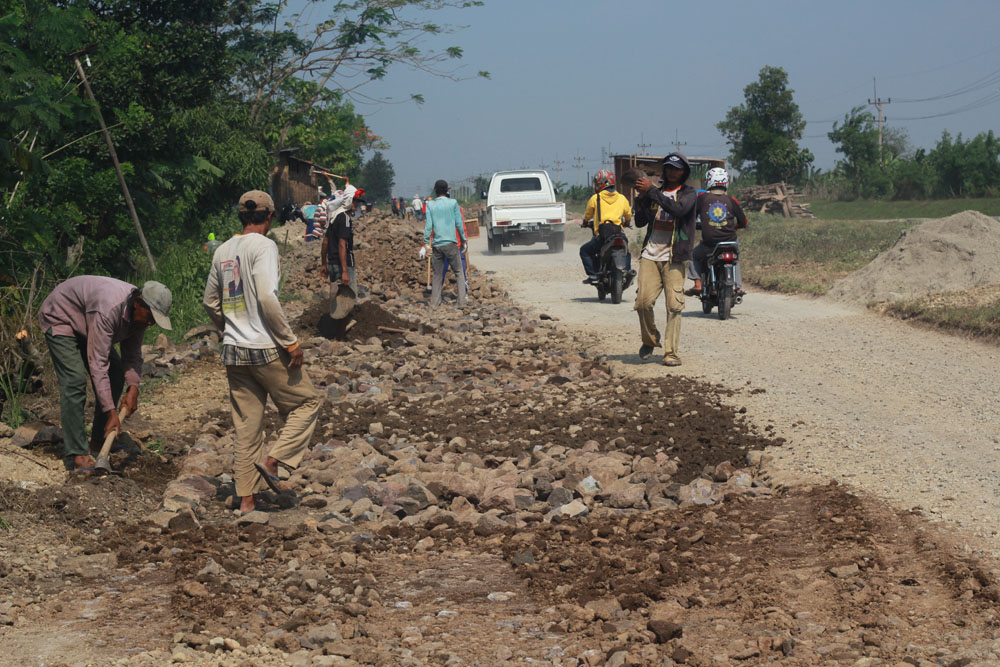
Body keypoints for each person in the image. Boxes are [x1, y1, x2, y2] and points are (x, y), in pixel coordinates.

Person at [203, 190, 321, 515]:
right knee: (306, 403)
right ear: (269, 217)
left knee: (247, 426)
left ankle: (246, 502)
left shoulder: (223, 250)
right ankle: (274, 461)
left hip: (233, 351)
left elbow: (210, 301)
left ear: (242, 216)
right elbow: (268, 298)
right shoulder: (265, 246)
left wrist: (227, 329)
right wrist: (290, 342)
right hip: (265, 347)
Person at [38, 276, 173, 472]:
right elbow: (98, 363)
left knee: (116, 373)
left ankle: (98, 440)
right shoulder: (108, 309)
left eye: (156, 319)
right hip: (61, 315)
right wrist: (111, 411)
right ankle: (77, 453)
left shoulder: (139, 318)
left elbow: (133, 356)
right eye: (151, 316)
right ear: (138, 304)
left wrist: (133, 387)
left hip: (87, 322)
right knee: (74, 381)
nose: (151, 323)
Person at [632, 152, 698, 367]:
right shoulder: (654, 193)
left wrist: (651, 191)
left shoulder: (689, 193)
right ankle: (650, 339)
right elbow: (641, 222)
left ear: (684, 172)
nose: (672, 172)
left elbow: (678, 210)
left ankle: (670, 352)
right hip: (650, 254)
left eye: (677, 169)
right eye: (669, 168)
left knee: (674, 306)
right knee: (642, 303)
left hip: (674, 256)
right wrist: (641, 197)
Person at [686, 167, 748, 296]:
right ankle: (738, 287)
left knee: (693, 255)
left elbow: (691, 216)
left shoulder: (702, 198)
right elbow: (744, 221)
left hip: (710, 243)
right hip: (730, 242)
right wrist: (735, 227)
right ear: (725, 182)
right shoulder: (732, 200)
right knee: (735, 260)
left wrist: (698, 225)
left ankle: (697, 284)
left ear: (709, 181)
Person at [320, 187, 363, 339]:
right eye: (356, 201)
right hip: (343, 263)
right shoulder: (344, 218)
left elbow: (325, 243)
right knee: (345, 300)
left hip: (332, 262)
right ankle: (340, 337)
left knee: (337, 298)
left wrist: (324, 264)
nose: (357, 205)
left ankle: (335, 333)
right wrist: (345, 270)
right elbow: (342, 244)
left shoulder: (333, 217)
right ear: (350, 201)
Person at [580, 169, 633, 284]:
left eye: (597, 183)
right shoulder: (622, 198)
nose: (596, 186)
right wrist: (627, 223)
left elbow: (588, 215)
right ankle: (627, 270)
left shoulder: (595, 198)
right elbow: (628, 215)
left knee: (585, 251)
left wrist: (585, 222)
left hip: (602, 236)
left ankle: (593, 274)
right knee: (626, 251)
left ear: (602, 183)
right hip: (618, 233)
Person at [421, 179, 467, 307]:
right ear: (447, 191)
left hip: (437, 245)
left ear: (435, 191)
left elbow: (428, 226)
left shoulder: (430, 205)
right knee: (458, 272)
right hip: (451, 244)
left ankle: (435, 303)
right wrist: (463, 241)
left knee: (437, 274)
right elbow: (459, 224)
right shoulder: (453, 203)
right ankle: (462, 302)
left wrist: (426, 243)